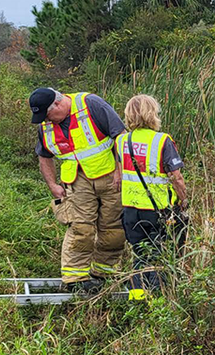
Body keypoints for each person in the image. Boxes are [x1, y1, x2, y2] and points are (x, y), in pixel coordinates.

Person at [30, 87, 125, 291]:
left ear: (57, 103)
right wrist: (52, 185)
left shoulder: (92, 105)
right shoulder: (45, 126)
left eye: (47, 115)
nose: (46, 121)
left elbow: (121, 137)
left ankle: (104, 273)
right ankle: (75, 279)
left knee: (113, 229)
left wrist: (120, 171)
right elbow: (44, 156)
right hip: (77, 181)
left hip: (111, 178)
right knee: (81, 228)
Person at [116, 94, 189, 300]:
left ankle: (137, 299)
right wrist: (183, 200)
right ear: (152, 113)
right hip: (157, 210)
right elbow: (177, 177)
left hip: (130, 210)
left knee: (139, 255)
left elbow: (122, 173)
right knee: (159, 256)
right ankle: (158, 302)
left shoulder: (122, 140)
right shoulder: (162, 141)